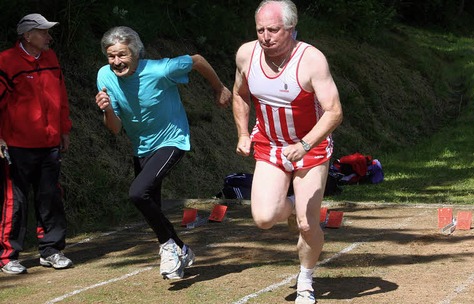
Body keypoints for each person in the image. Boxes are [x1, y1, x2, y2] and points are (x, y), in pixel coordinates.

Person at [94, 26, 231, 280]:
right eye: (111, 56)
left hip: (172, 139)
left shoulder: (160, 69)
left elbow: (198, 60)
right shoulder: (104, 76)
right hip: (141, 146)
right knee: (150, 206)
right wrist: (106, 110)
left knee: (137, 192)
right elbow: (114, 128)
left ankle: (168, 248)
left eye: (122, 55)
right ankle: (181, 249)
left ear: (136, 53)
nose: (116, 62)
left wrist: (219, 88)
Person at [232, 1, 342, 303]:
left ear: (291, 29)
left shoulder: (311, 60)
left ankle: (305, 280)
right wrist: (243, 133)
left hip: (311, 146)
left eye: (273, 30)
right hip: (269, 144)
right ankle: (293, 203)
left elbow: (334, 112)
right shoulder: (246, 54)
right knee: (264, 218)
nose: (265, 36)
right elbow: (240, 95)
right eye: (260, 30)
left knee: (308, 224)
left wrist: (305, 144)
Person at [0, 13, 73, 275]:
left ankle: (51, 250)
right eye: (43, 32)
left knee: (50, 197)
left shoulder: (51, 58)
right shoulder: (6, 61)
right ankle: (8, 256)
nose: (48, 37)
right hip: (16, 145)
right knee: (15, 201)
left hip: (50, 143)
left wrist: (64, 129)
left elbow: (61, 96)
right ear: (27, 35)